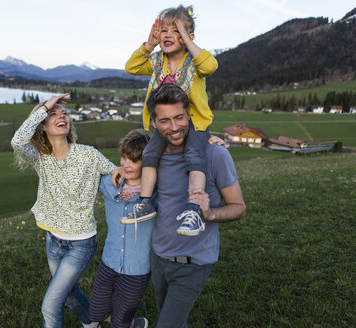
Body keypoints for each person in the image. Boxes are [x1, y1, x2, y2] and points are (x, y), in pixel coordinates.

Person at [11, 94, 116, 328]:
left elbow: (119, 172)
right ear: (43, 126)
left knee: (50, 305)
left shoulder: (88, 155)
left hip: (80, 243)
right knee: (68, 295)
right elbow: (18, 142)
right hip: (53, 240)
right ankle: (93, 323)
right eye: (53, 114)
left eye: (64, 113)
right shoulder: (40, 158)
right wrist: (45, 105)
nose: (61, 116)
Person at [146, 84, 246, 328]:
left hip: (193, 264)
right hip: (159, 258)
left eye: (179, 117)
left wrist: (210, 213)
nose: (174, 127)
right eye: (165, 120)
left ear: (189, 114)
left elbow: (238, 206)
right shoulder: (152, 157)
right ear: (155, 122)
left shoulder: (215, 154)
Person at [123, 4, 218, 237]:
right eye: (164, 30)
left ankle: (194, 210)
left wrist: (188, 41)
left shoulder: (194, 62)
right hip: (164, 124)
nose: (168, 35)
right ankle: (145, 203)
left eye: (176, 31)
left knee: (194, 158)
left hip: (193, 122)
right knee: (149, 155)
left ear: (188, 37)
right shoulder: (156, 61)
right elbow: (131, 67)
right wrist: (148, 45)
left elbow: (211, 65)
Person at [89, 129, 154, 328]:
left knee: (119, 323)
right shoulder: (110, 184)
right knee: (96, 311)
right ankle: (136, 324)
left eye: (133, 160)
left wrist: (209, 141)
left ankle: (126, 324)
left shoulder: (155, 193)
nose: (126, 164)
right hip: (109, 262)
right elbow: (84, 172)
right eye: (124, 157)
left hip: (137, 269)